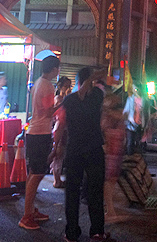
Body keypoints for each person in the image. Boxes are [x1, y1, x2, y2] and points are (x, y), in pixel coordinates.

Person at [63, 66, 114, 242]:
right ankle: (97, 231)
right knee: (95, 191)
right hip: (94, 149)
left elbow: (64, 125)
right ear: (91, 80)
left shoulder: (68, 100)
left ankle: (71, 232)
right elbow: (95, 93)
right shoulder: (97, 97)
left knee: (72, 192)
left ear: (76, 80)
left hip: (74, 149)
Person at [19, 55, 62, 230]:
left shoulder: (38, 82)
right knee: (36, 175)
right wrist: (62, 103)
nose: (58, 71)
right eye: (58, 68)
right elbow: (47, 111)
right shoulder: (47, 85)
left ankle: (30, 210)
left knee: (33, 174)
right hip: (40, 133)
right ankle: (26, 216)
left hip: (34, 132)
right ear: (54, 69)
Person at [101, 92, 127, 223]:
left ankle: (110, 210)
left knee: (111, 180)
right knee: (109, 181)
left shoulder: (114, 115)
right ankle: (109, 211)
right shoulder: (109, 116)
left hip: (115, 151)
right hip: (111, 151)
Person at [51, 75, 72, 188]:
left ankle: (58, 178)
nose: (68, 88)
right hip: (59, 128)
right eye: (66, 86)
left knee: (61, 154)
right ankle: (56, 180)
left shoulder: (68, 97)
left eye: (69, 86)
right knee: (58, 153)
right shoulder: (58, 99)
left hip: (65, 128)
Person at [123, 85, 142, 155]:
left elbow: (146, 112)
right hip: (130, 123)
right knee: (130, 142)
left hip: (140, 124)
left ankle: (137, 158)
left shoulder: (144, 100)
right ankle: (130, 158)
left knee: (138, 142)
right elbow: (126, 110)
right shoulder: (130, 99)